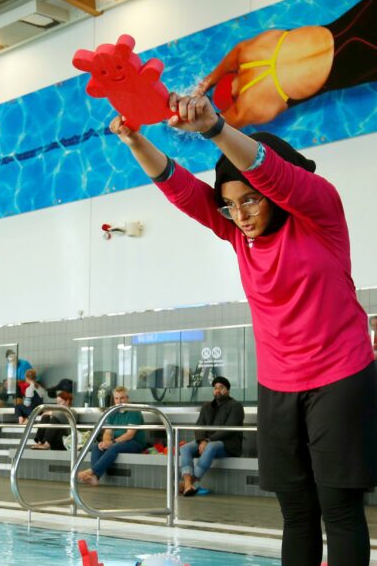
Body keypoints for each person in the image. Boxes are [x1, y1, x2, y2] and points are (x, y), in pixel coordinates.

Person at [109, 91, 375, 565]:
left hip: (341, 377)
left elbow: (269, 170)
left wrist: (214, 127)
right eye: (231, 205)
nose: (242, 214)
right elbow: (180, 187)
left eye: (251, 200)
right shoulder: (236, 232)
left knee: (339, 508)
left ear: (273, 194)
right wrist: (135, 140)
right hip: (278, 386)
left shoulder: (320, 215)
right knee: (296, 510)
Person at [196, 0, 375, 128]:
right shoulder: (249, 51)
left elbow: (215, 125)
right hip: (350, 22)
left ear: (233, 101)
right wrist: (208, 82)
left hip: (354, 63)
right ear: (231, 76)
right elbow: (229, 59)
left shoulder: (249, 106)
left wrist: (191, 115)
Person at [179, 376, 245, 496]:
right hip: (206, 442)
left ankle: (191, 483)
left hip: (228, 445)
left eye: (221, 388)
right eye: (215, 388)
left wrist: (208, 441)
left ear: (228, 390)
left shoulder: (236, 406)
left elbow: (229, 430)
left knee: (211, 446)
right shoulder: (207, 407)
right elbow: (199, 426)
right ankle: (188, 484)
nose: (218, 390)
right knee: (185, 448)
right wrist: (201, 441)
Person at [77, 387, 146, 486]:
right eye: (116, 398)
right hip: (117, 442)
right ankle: (95, 478)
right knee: (97, 446)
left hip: (135, 443)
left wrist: (111, 443)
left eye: (122, 398)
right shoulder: (112, 411)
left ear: (127, 398)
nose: (119, 401)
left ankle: (92, 471)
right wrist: (105, 442)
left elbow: (130, 435)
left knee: (115, 447)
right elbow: (107, 432)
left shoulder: (134, 411)